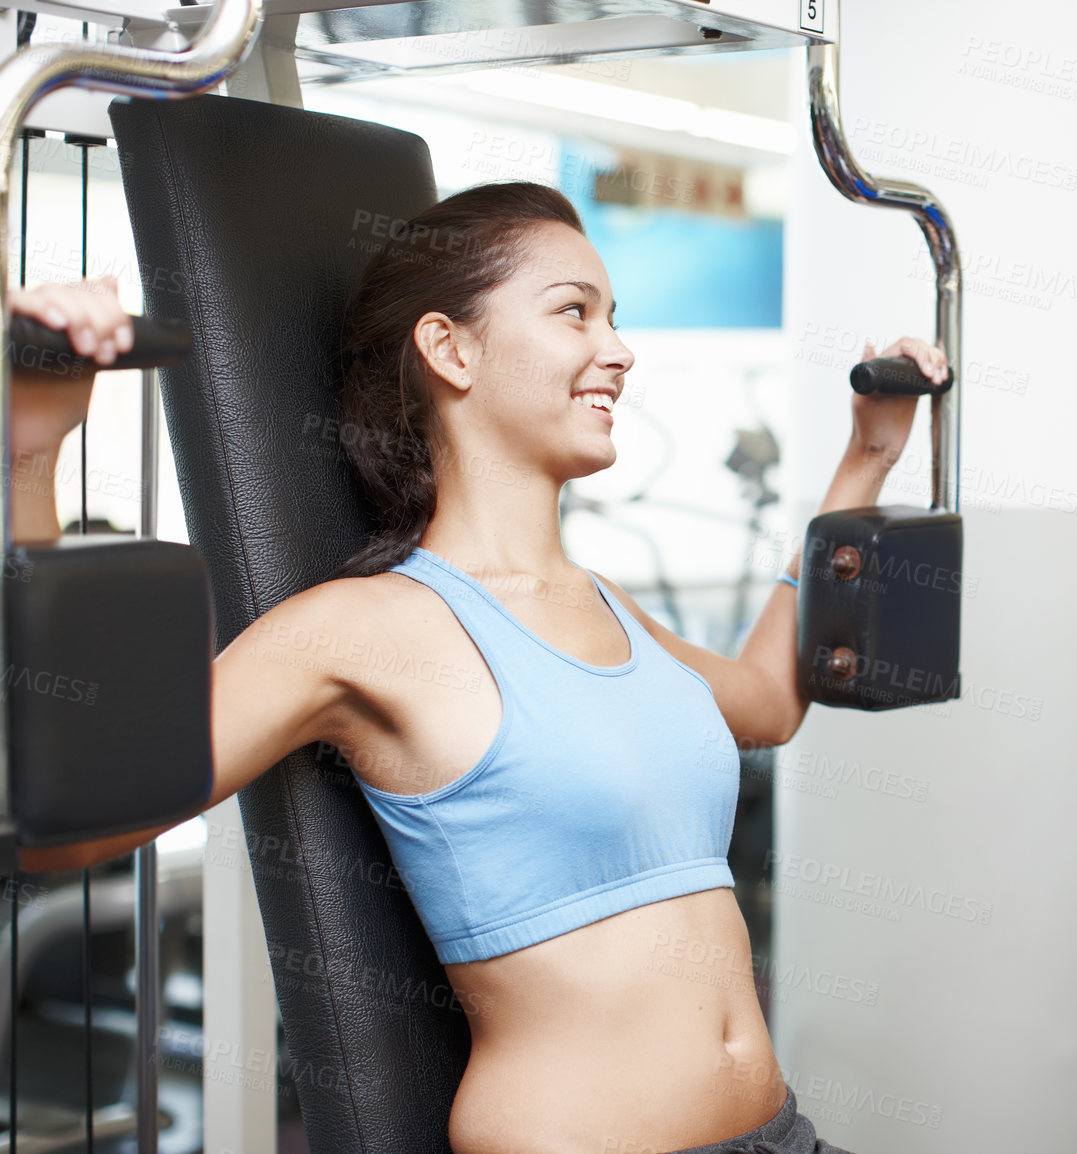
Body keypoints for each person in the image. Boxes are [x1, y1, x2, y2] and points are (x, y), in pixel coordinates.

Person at [10, 182, 948, 1154]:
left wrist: (865, 460)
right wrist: (33, 454)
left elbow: (764, 702)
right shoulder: (359, 628)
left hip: (776, 1130)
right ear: (449, 348)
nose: (618, 350)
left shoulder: (607, 603)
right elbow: (66, 833)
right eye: (574, 311)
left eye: (614, 317)